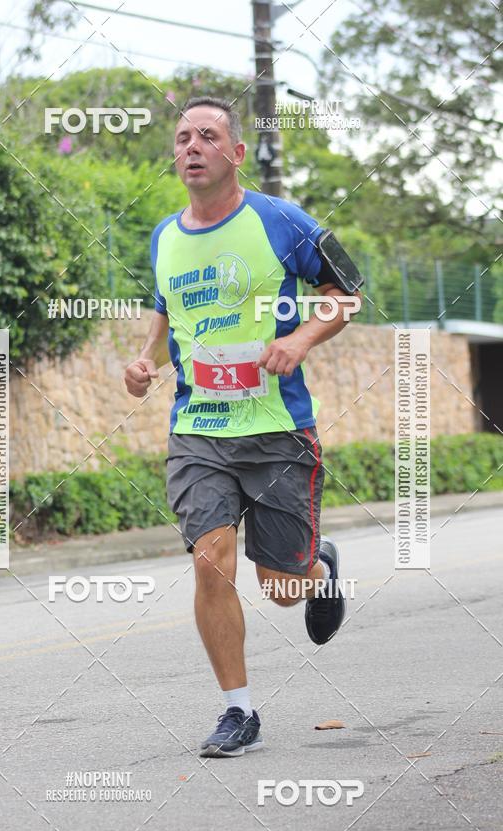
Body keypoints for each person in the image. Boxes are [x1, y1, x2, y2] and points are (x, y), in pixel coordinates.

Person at [124, 96, 363, 758]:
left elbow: (347, 292)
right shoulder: (165, 237)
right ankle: (239, 709)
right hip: (198, 430)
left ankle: (317, 568)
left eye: (207, 135)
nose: (192, 146)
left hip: (277, 429)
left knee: (281, 590)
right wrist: (144, 362)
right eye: (182, 138)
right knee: (210, 561)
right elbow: (166, 314)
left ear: (234, 153)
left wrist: (302, 339)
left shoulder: (280, 221)